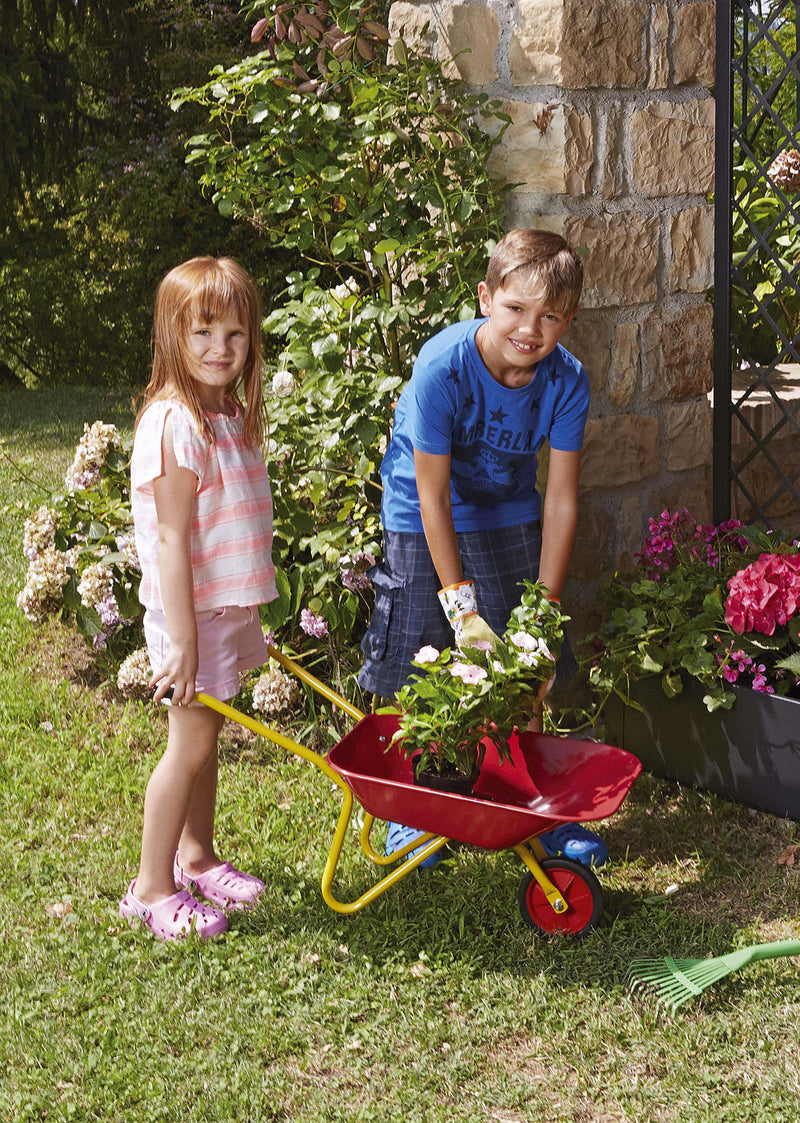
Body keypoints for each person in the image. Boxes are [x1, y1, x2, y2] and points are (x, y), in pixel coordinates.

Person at [358, 229, 607, 867]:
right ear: (485, 298)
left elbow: (558, 499)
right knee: (420, 660)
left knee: (526, 666)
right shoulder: (442, 367)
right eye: (515, 308)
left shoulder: (567, 381)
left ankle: (528, 803)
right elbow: (435, 498)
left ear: (569, 319)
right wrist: (461, 609)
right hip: (422, 509)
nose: (531, 328)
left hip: (506, 507)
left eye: (550, 316)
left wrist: (543, 615)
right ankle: (412, 813)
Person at [119, 257, 277, 940]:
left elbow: (231, 524)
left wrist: (248, 611)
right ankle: (151, 888)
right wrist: (181, 641)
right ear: (172, 338)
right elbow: (171, 539)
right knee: (187, 744)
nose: (220, 349)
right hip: (192, 617)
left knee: (207, 738)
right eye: (203, 333)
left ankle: (198, 855)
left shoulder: (227, 413)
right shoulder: (175, 423)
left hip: (224, 609)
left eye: (235, 334)